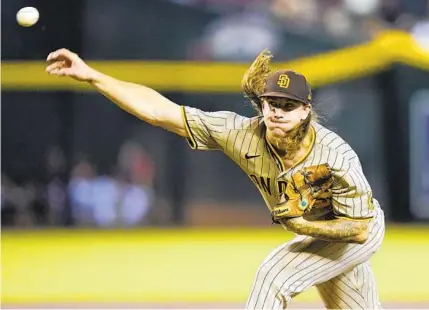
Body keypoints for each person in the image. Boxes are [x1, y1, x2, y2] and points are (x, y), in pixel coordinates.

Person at [46, 48, 385, 309]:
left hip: (356, 226)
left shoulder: (336, 158)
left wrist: (302, 225)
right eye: (271, 102)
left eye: (287, 104)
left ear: (305, 111)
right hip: (321, 229)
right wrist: (92, 75)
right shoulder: (240, 132)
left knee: (274, 275)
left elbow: (359, 229)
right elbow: (159, 111)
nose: (277, 111)